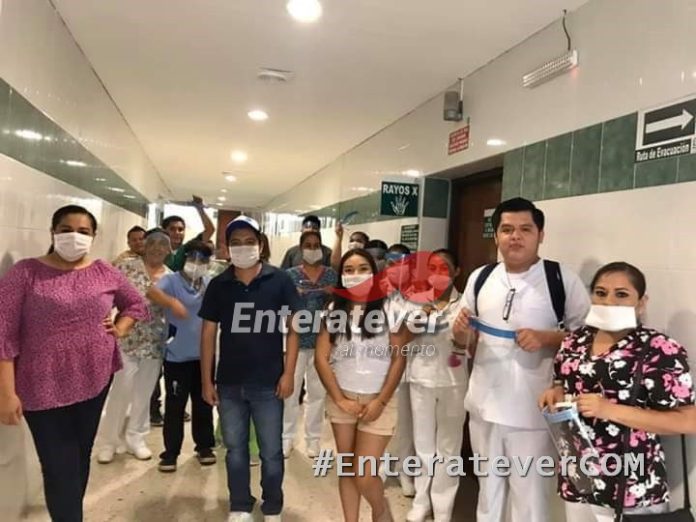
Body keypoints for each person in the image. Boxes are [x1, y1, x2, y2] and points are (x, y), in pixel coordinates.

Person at [0, 205, 148, 522]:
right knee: (58, 465)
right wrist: (6, 392)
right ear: (53, 232)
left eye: (83, 232)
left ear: (93, 237)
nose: (74, 237)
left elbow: (136, 304)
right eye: (66, 230)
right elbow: (4, 334)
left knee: (80, 456)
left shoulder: (104, 271)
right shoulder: (25, 273)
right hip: (41, 384)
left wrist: (120, 328)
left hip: (94, 377)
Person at [452, 197, 591, 522]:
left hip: (533, 411)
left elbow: (589, 341)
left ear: (540, 234)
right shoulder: (481, 277)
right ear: (496, 236)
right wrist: (460, 333)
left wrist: (547, 338)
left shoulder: (561, 279)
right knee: (487, 492)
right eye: (507, 229)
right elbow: (463, 341)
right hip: (484, 406)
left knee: (529, 498)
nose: (515, 236)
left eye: (525, 229)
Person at [539, 262, 696, 522]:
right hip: (579, 477)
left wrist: (609, 410)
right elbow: (562, 381)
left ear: (641, 302)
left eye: (621, 294)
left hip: (631, 485)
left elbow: (688, 420)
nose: (609, 301)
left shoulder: (658, 349)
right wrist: (555, 393)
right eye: (600, 293)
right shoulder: (574, 341)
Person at [199, 215, 301, 522]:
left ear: (261, 244)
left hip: (268, 382)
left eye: (249, 241)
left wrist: (289, 373)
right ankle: (240, 504)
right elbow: (208, 334)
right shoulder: (219, 285)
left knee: (271, 452)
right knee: (235, 450)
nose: (243, 247)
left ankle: (272, 506)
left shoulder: (279, 280)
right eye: (236, 242)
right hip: (229, 382)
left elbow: (294, 328)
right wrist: (206, 381)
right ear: (227, 247)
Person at [315, 248, 412, 522]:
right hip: (342, 397)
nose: (355, 275)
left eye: (362, 269)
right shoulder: (333, 310)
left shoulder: (391, 308)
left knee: (365, 473)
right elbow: (321, 358)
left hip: (379, 399)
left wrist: (380, 401)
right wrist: (340, 399)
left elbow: (399, 358)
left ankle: (380, 510)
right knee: (347, 467)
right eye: (349, 270)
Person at [97, 230, 172, 463]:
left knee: (143, 393)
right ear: (144, 245)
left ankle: (135, 438)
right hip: (125, 338)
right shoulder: (126, 268)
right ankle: (109, 441)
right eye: (153, 242)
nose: (157, 248)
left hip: (154, 342)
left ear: (169, 249)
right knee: (121, 390)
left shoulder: (171, 277)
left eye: (163, 244)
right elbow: (106, 297)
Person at [407, 249, 468, 522]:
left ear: (456, 272)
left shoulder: (466, 303)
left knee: (449, 447)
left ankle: (443, 508)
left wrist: (461, 336)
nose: (437, 274)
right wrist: (422, 312)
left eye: (444, 269)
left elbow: (470, 341)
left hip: (454, 382)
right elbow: (405, 332)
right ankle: (421, 501)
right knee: (423, 445)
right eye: (432, 269)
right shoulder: (416, 299)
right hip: (420, 379)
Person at [147, 240, 217, 472]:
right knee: (175, 406)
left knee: (204, 402)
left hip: (204, 356)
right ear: (184, 258)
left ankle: (204, 447)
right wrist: (172, 302)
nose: (197, 263)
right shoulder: (172, 281)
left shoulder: (209, 283)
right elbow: (151, 292)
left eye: (203, 259)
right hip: (177, 356)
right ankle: (170, 453)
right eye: (193, 257)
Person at [282, 230, 338, 458]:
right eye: (308, 245)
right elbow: (280, 304)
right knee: (290, 391)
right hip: (295, 341)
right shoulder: (290, 275)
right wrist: (292, 295)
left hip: (322, 342)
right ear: (300, 248)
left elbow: (340, 303)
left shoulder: (330, 275)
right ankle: (286, 437)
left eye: (316, 245)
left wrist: (332, 294)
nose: (312, 249)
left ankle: (313, 439)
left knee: (317, 393)